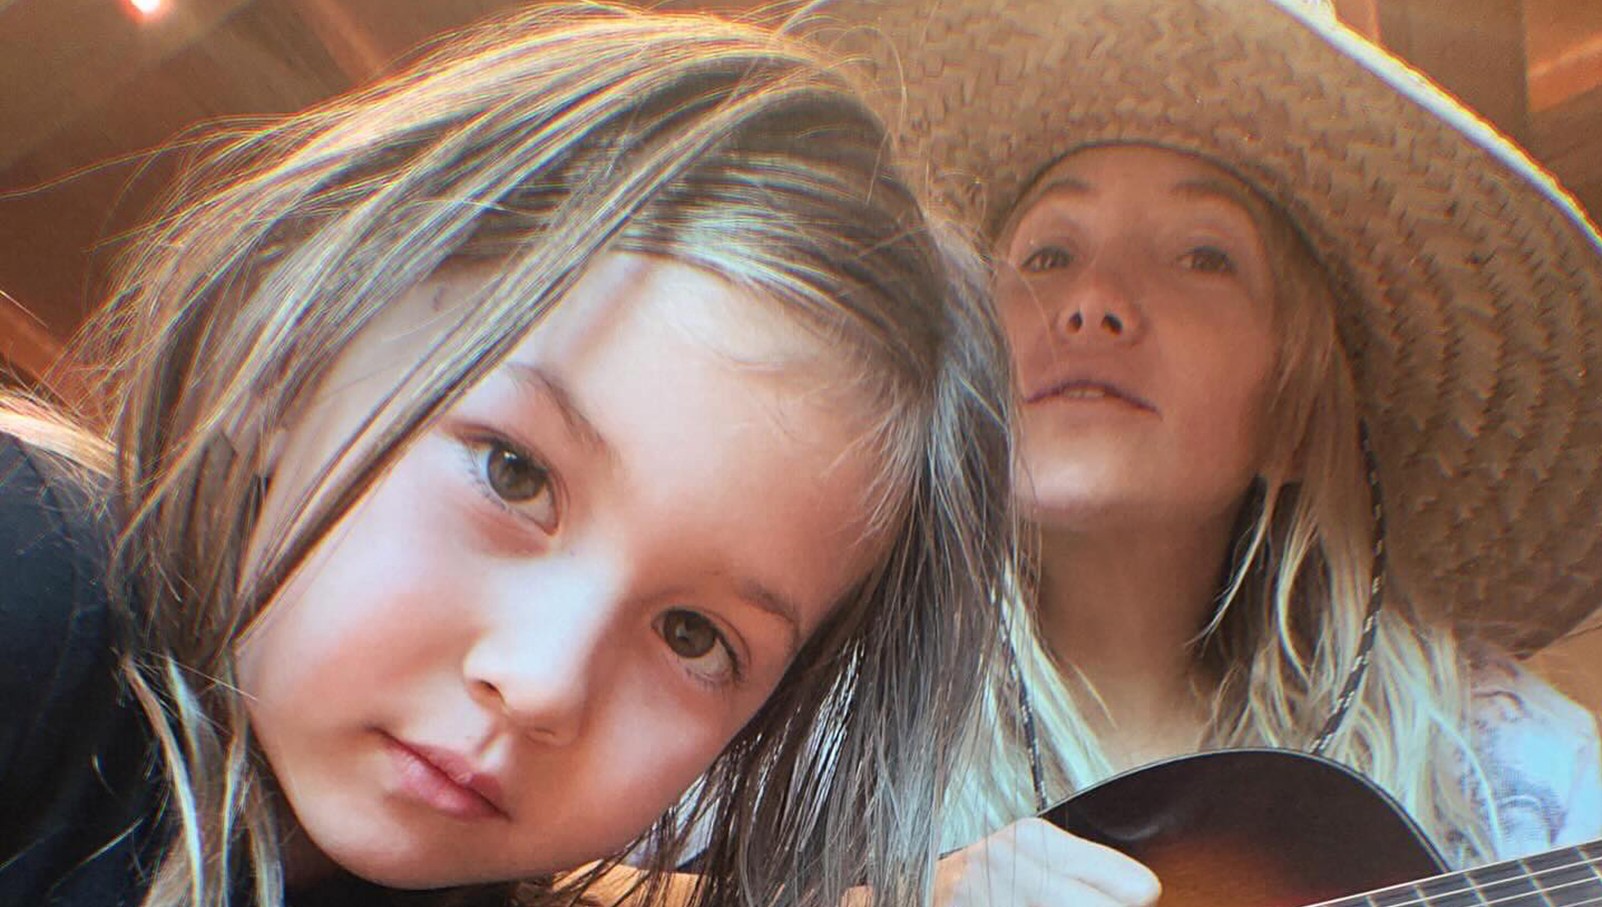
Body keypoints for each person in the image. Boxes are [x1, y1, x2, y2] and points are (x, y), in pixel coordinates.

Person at [0, 4, 1017, 905]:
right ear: (287, 351)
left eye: (694, 635)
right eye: (512, 473)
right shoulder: (35, 573)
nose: (542, 682)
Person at [798, 0, 1602, 902]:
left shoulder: (1511, 777)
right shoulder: (803, 724)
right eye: (1049, 252)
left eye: (1202, 257)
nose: (1093, 302)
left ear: (1293, 419)